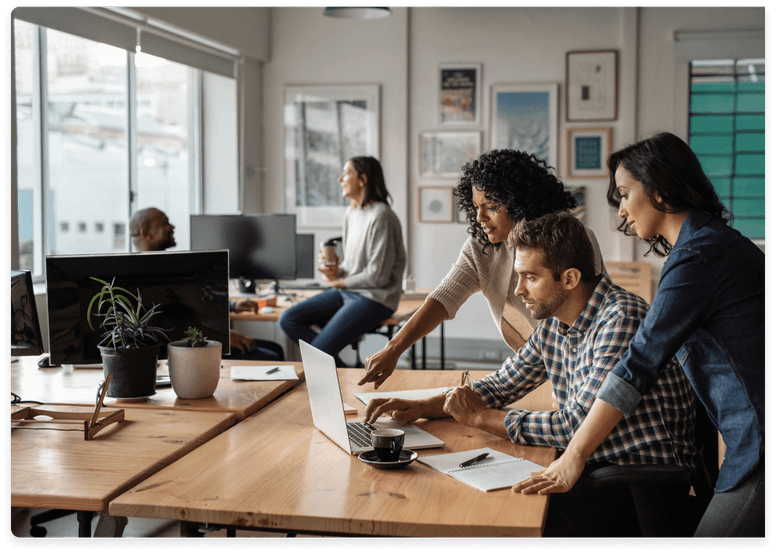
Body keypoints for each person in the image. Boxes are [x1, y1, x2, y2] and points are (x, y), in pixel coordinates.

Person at [364, 211, 699, 538]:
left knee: (487, 517)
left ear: (568, 278)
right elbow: (501, 384)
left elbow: (573, 426)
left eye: (530, 277)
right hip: (593, 467)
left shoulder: (619, 318)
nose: (519, 290)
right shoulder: (556, 322)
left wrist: (482, 419)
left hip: (635, 484)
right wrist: (425, 406)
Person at [514, 133, 767, 539]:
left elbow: (638, 364)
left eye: (626, 194)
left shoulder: (697, 258)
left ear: (661, 188)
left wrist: (574, 456)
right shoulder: (711, 245)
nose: (622, 214)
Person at [359, 149, 607, 389]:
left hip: (583, 365)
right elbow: (445, 296)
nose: (479, 217)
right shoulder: (482, 247)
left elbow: (590, 316)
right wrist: (394, 348)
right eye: (476, 207)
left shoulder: (570, 239)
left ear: (520, 201)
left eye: (491, 206)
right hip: (531, 367)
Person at [279, 156, 406, 367]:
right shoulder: (351, 213)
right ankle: (343, 372)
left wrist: (339, 283)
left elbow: (378, 276)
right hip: (349, 292)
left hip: (375, 298)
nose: (340, 178)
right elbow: (353, 267)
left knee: (318, 353)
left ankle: (335, 372)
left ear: (363, 179)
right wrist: (336, 272)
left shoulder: (382, 216)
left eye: (346, 173)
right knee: (288, 319)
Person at [131, 207, 283, 361]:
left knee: (275, 348)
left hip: (202, 337)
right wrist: (221, 337)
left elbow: (192, 305)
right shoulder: (142, 276)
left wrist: (233, 306)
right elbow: (171, 328)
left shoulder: (166, 267)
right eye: (165, 223)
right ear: (146, 233)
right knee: (272, 356)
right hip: (187, 349)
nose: (172, 227)